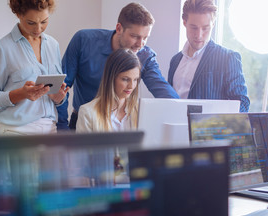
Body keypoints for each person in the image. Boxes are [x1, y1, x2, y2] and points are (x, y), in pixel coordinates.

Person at [57, 2, 179, 130]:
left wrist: (183, 111)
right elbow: (61, 88)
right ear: (119, 28)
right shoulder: (83, 41)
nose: (140, 44)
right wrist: (61, 128)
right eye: (134, 36)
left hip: (123, 123)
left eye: (145, 38)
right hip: (86, 122)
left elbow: (164, 91)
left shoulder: (146, 56)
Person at [0, 0, 69, 135]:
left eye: (44, 22)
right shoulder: (2, 48)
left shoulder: (53, 45)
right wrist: (20, 94)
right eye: (31, 23)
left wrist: (58, 98)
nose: (38, 29)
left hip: (50, 131)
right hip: (16, 132)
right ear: (18, 14)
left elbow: (54, 98)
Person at [167, 0, 250, 112]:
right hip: (173, 127)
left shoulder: (228, 58)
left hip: (210, 128)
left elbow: (242, 104)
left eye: (205, 28)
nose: (199, 35)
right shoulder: (175, 60)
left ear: (213, 24)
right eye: (194, 28)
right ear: (184, 23)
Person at [76, 49, 141, 132]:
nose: (131, 86)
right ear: (111, 78)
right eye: (125, 79)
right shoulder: (88, 112)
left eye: (135, 80)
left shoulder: (140, 111)